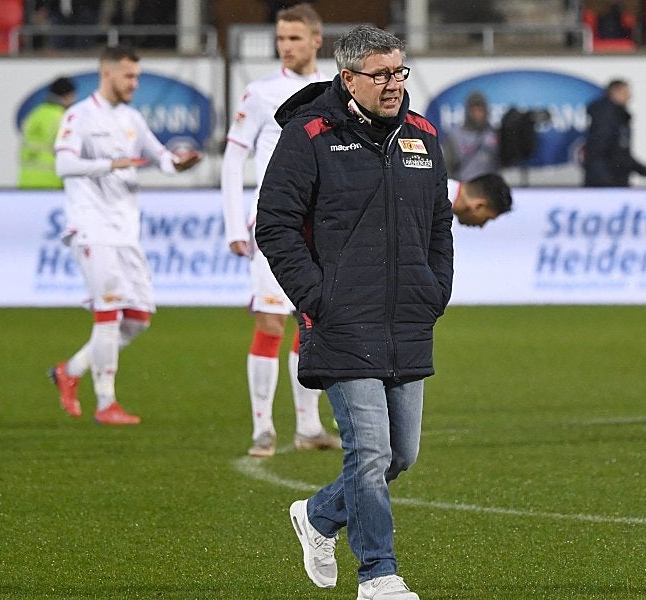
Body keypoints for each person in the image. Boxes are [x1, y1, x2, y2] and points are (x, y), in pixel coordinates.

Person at [255, 25, 453, 600]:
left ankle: (318, 516)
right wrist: (318, 298)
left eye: (399, 71)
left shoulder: (422, 135)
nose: (393, 84)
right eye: (381, 74)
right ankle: (378, 575)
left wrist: (434, 287)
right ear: (348, 79)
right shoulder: (308, 135)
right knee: (368, 452)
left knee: (400, 455)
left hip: (406, 320)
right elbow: (275, 225)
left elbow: (439, 223)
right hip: (341, 322)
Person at [48, 45, 201, 425]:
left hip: (125, 230)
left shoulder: (132, 118)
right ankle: (105, 403)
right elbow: (63, 162)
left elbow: (161, 158)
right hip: (91, 226)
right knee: (110, 311)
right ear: (107, 73)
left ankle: (70, 371)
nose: (134, 83)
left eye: (137, 76)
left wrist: (179, 163)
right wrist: (110, 163)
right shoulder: (79, 116)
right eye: (128, 76)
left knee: (138, 316)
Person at [221, 3, 340, 457]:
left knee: (312, 323)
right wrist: (235, 223)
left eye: (294, 38)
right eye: (280, 39)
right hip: (277, 225)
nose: (285, 47)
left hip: (323, 229)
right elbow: (234, 159)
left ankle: (308, 427)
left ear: (316, 38)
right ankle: (262, 429)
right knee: (269, 321)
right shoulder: (260, 93)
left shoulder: (335, 88)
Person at [582, 79, 646, 187]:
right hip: (606, 185)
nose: (629, 97)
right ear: (615, 92)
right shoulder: (606, 118)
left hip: (615, 182)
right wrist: (606, 183)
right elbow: (597, 153)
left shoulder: (619, 117)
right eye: (625, 93)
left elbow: (622, 155)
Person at [18, 77, 77, 189]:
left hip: (25, 182)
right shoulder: (63, 118)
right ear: (68, 96)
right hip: (51, 184)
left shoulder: (34, 114)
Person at [441, 90, 501, 182]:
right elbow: (447, 167)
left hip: (490, 189)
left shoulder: (495, 134)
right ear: (468, 112)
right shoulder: (455, 136)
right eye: (474, 110)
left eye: (480, 110)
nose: (478, 114)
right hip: (465, 189)